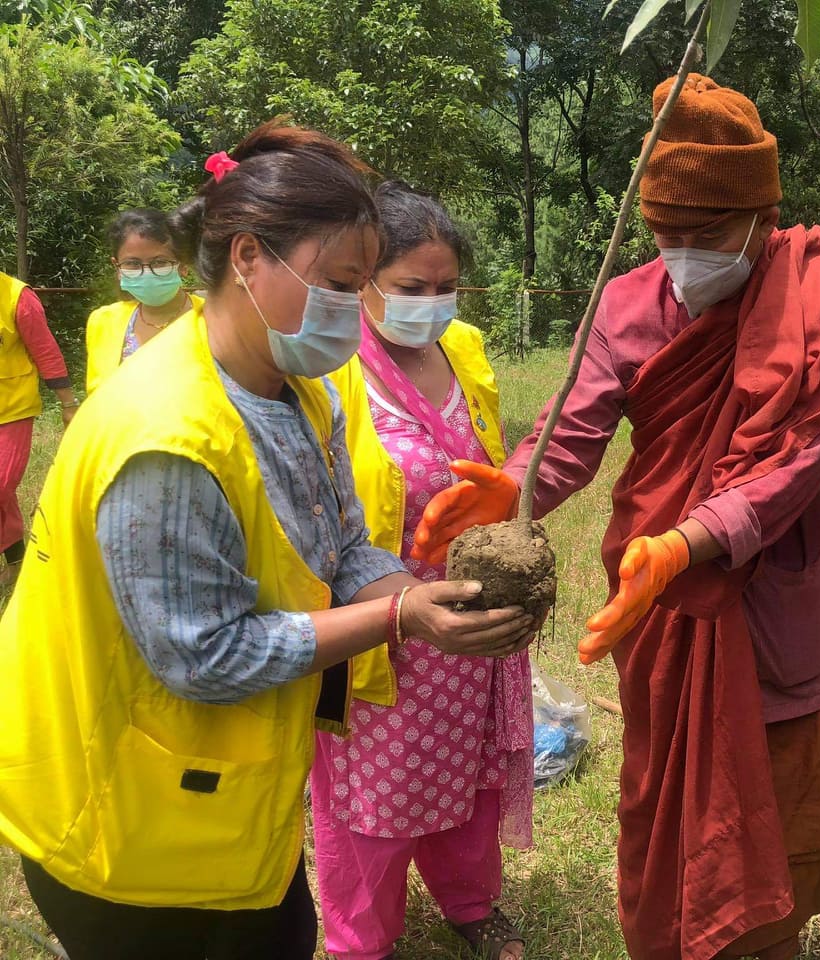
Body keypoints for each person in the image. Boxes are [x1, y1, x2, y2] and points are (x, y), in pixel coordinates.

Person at [0, 120, 536, 960]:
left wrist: (415, 592)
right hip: (120, 821)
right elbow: (206, 657)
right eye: (339, 282)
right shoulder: (166, 438)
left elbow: (344, 541)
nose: (348, 308)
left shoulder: (297, 385)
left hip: (221, 797)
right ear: (248, 257)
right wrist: (404, 621)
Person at [416, 75, 820, 960]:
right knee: (693, 810)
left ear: (761, 213)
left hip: (794, 605)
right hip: (665, 608)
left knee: (814, 825)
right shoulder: (628, 303)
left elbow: (797, 465)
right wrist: (517, 483)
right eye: (663, 234)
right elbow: (574, 431)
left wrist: (690, 541)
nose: (682, 255)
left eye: (705, 235)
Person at [314, 181, 532, 960]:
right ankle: (359, 940)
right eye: (412, 288)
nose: (432, 305)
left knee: (468, 780)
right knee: (375, 796)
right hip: (382, 623)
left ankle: (470, 904)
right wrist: (404, 600)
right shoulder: (332, 367)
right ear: (365, 280)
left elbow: (494, 462)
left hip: (471, 618)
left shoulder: (463, 348)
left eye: (446, 288)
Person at [0, 273, 77, 587]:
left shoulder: (17, 297)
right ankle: (17, 559)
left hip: (12, 409)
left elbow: (45, 350)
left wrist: (68, 403)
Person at [84, 208, 204, 396]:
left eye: (159, 262)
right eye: (133, 264)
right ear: (117, 267)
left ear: (183, 265)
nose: (146, 273)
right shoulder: (103, 321)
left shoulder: (213, 321)